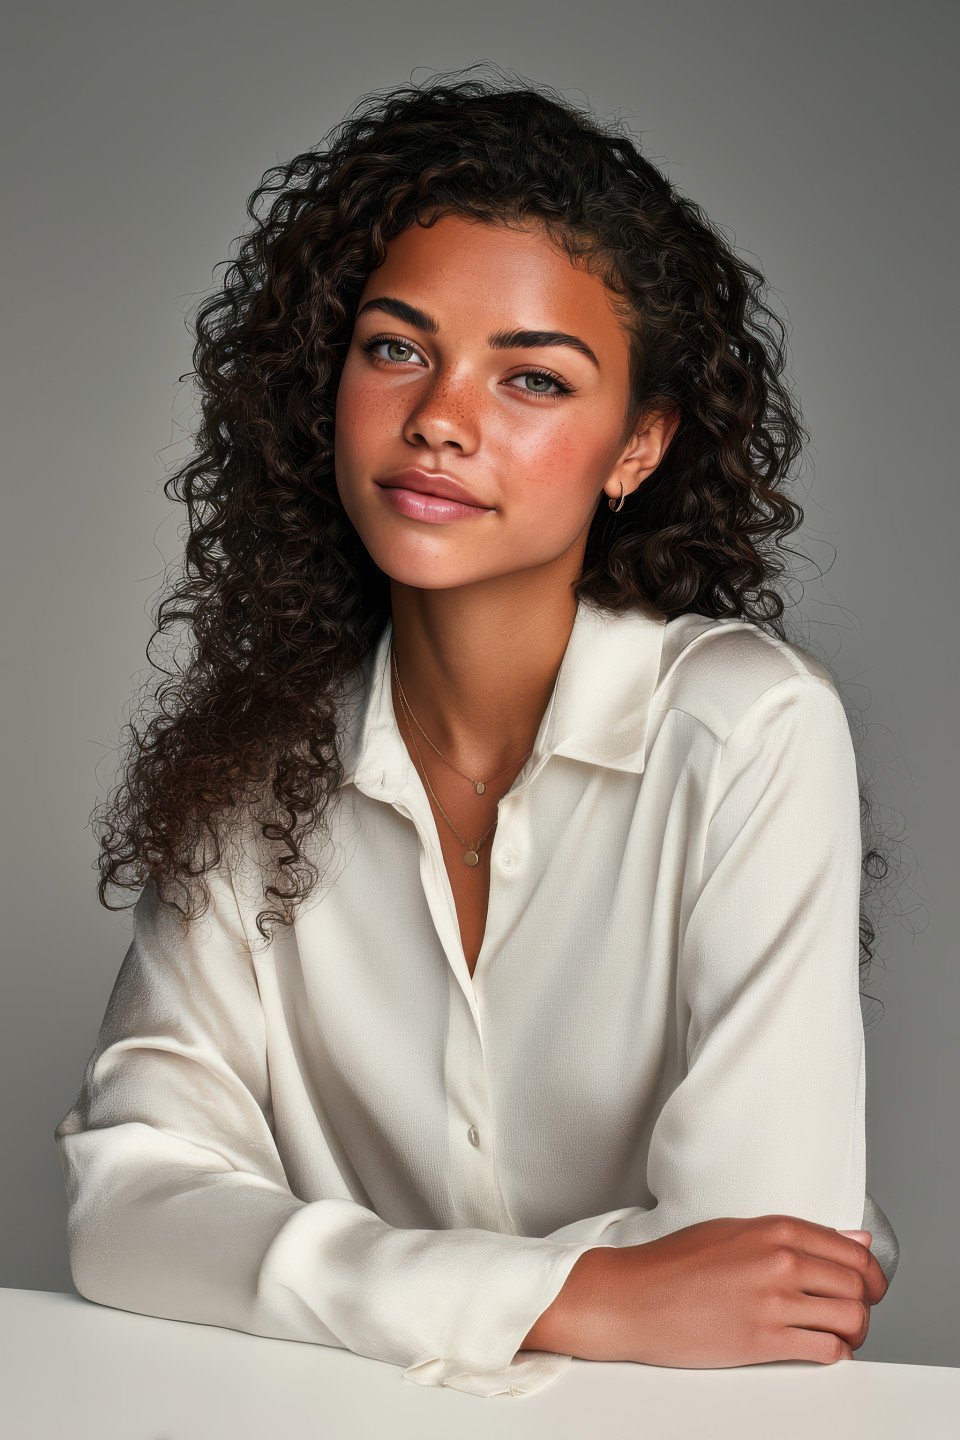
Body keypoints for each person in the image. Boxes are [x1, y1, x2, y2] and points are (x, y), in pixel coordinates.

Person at [54, 66, 899, 1401]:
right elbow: (125, 1214)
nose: (441, 417)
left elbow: (765, 1276)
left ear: (639, 446)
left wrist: (317, 1269)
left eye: (535, 381)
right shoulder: (257, 773)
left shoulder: (749, 732)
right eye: (396, 348)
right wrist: (591, 1291)